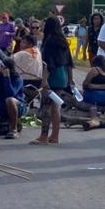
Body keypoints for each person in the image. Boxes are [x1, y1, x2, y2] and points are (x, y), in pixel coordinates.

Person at [32, 16, 73, 146]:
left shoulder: (49, 41)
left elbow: (47, 64)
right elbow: (69, 62)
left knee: (46, 106)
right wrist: (70, 79)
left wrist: (44, 81)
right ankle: (54, 135)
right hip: (63, 76)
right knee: (56, 107)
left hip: (52, 76)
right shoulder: (63, 41)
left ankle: (43, 136)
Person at [0, 56, 25, 149]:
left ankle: (14, 129)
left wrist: (6, 77)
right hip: (0, 105)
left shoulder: (17, 78)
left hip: (17, 105)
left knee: (9, 99)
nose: (1, 69)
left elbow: (10, 93)